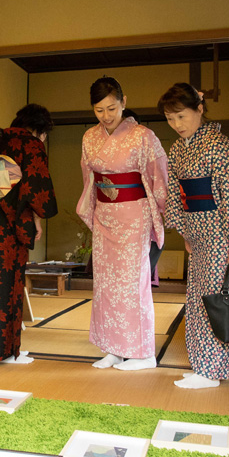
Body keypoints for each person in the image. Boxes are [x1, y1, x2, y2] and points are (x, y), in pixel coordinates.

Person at [160, 82, 229, 389]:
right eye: (170, 118)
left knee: (215, 301)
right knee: (196, 300)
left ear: (200, 110)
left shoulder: (221, 147)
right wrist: (184, 232)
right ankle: (203, 367)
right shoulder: (178, 149)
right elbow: (177, 194)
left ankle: (210, 371)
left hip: (221, 232)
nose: (176, 125)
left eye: (181, 116)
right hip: (198, 232)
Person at [76, 77, 168, 371]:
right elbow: (88, 177)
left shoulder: (143, 135)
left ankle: (143, 353)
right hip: (105, 213)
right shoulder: (90, 137)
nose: (106, 116)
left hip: (134, 214)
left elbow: (158, 176)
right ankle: (114, 349)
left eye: (112, 108)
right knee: (105, 284)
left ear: (124, 102)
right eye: (99, 110)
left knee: (132, 284)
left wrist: (161, 214)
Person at [0, 104, 59, 365]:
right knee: (11, 284)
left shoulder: (1, 143)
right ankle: (7, 351)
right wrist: (37, 217)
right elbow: (36, 189)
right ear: (41, 130)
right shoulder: (32, 145)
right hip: (11, 225)